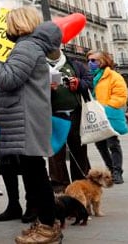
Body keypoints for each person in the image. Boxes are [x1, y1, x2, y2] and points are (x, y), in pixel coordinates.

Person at [0, 6, 62, 244]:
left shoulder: (25, 46)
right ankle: (44, 223)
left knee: (36, 175)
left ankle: (48, 228)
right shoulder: (30, 46)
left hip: (26, 119)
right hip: (27, 117)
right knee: (35, 173)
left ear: (18, 24)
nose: (6, 28)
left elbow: (8, 78)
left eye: (8, 23)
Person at [47, 47, 92, 192]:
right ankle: (60, 189)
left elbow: (88, 81)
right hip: (52, 116)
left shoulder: (74, 64)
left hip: (75, 114)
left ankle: (81, 187)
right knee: (55, 154)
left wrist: (78, 83)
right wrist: (45, 88)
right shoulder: (39, 65)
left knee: (79, 151)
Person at [86, 50, 128, 184]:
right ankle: (110, 169)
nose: (90, 63)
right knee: (100, 145)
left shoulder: (113, 76)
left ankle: (117, 171)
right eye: (88, 60)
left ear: (102, 61)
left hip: (108, 115)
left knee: (113, 144)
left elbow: (121, 96)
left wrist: (106, 108)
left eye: (93, 60)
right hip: (94, 116)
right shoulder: (89, 76)